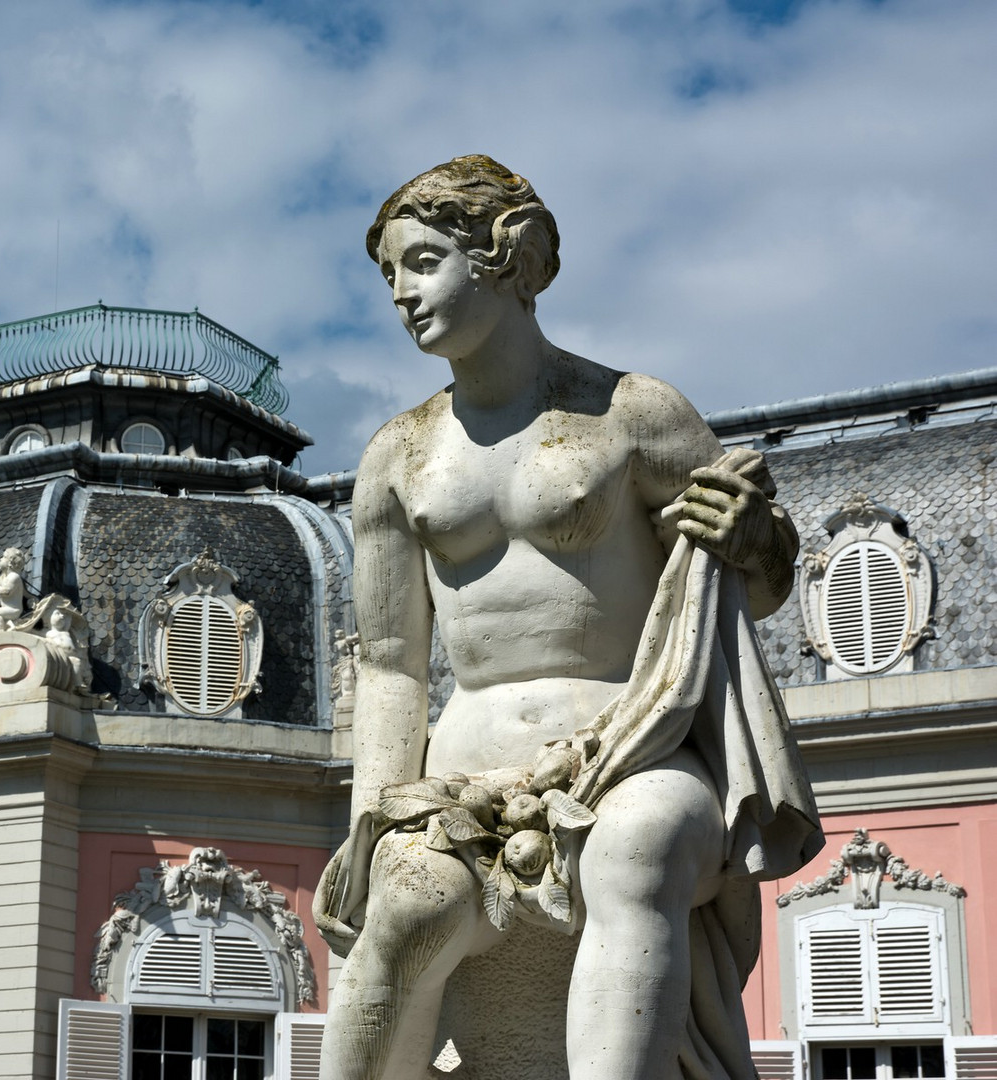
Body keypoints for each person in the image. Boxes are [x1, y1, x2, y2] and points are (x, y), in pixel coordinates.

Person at [315, 156, 820, 1080]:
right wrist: (371, 824)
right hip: (464, 782)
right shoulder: (397, 455)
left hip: (634, 757)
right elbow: (392, 668)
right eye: (389, 275)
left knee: (637, 845)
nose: (401, 294)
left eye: (422, 263)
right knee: (404, 902)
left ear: (508, 255)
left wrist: (755, 540)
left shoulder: (632, 414)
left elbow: (756, 585)